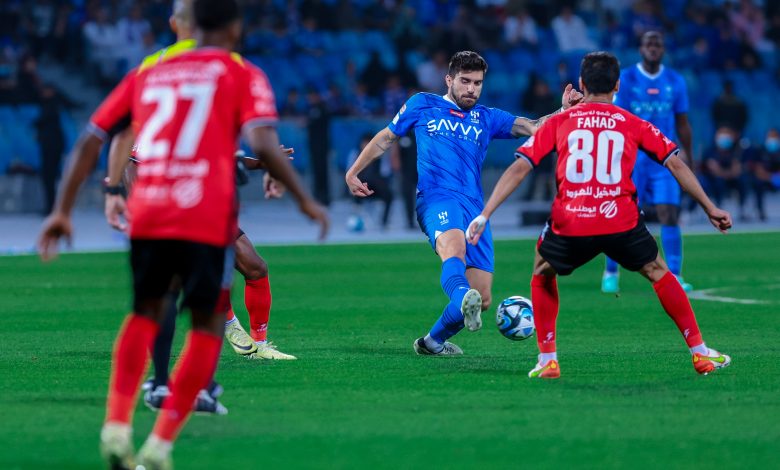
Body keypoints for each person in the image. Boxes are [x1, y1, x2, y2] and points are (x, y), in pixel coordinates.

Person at [37, 0, 328, 467]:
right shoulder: (240, 72)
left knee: (146, 312)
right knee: (209, 324)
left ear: (177, 25)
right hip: (205, 210)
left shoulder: (149, 71)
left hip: (151, 209)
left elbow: (95, 137)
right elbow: (261, 140)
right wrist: (305, 198)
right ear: (235, 28)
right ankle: (160, 443)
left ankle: (116, 424)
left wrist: (63, 208)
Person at [467, 51, 732, 379]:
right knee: (658, 271)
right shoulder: (632, 123)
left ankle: (548, 359)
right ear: (617, 85)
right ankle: (700, 352)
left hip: (572, 219)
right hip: (620, 218)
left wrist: (485, 213)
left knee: (542, 269)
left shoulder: (560, 123)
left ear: (581, 83)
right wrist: (710, 207)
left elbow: (520, 167)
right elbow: (675, 162)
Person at [346, 51, 582, 356]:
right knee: (454, 251)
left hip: (475, 210)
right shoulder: (422, 104)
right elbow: (385, 138)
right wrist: (353, 172)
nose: (471, 88)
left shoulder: (487, 117)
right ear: (449, 80)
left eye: (478, 83)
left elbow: (535, 126)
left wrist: (562, 110)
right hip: (436, 198)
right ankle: (460, 298)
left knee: (482, 297)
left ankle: (431, 343)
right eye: (465, 81)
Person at [602, 31, 695, 294]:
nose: (653, 48)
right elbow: (617, 119)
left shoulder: (675, 81)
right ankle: (610, 271)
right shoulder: (627, 79)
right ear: (641, 49)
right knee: (622, 214)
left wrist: (690, 155)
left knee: (669, 213)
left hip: (664, 159)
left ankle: (675, 274)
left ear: (663, 49)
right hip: (632, 158)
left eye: (657, 44)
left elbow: (683, 123)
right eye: (648, 44)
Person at [700, 126, 748, 220]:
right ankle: (716, 209)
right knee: (715, 182)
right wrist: (726, 173)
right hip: (713, 180)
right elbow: (713, 170)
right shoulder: (710, 151)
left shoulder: (735, 151)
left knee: (743, 180)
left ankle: (742, 209)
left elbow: (736, 170)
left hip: (730, 180)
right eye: (722, 133)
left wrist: (723, 172)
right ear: (716, 136)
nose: (724, 137)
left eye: (727, 133)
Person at [746, 128, 780, 221]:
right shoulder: (759, 151)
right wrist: (770, 177)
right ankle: (760, 211)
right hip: (765, 179)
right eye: (770, 136)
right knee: (757, 183)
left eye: (775, 136)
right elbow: (758, 170)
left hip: (777, 179)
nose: (772, 139)